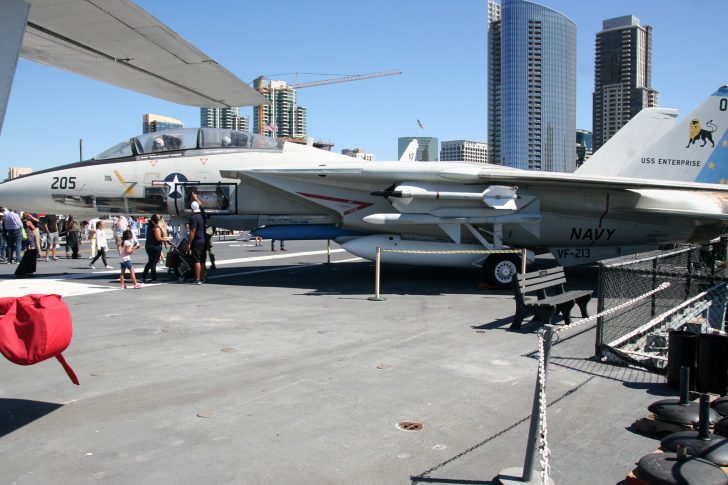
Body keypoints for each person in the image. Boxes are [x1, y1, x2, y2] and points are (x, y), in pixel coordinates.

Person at [142, 214, 170, 283]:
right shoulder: (156, 227)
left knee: (150, 262)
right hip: (155, 246)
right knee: (153, 262)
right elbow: (158, 238)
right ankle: (153, 278)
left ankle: (143, 276)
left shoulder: (150, 226)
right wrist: (165, 239)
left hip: (149, 245)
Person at [185, 192, 207, 284]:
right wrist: (196, 198)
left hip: (197, 241)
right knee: (202, 260)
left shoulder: (193, 218)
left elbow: (192, 232)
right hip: (204, 239)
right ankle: (201, 278)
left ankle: (197, 279)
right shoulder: (203, 215)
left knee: (196, 260)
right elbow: (202, 206)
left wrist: (188, 243)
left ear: (192, 209)